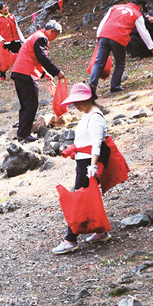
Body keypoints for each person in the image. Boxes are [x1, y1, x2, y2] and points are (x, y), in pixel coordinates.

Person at [51, 82, 110, 254]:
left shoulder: (95, 117)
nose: (77, 105)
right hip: (83, 161)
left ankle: (70, 239)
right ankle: (100, 231)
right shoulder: (87, 114)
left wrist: (92, 167)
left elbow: (97, 144)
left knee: (78, 200)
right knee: (89, 197)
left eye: (80, 101)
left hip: (88, 163)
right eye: (75, 102)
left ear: (89, 98)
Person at [88, 0, 153, 96]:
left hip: (104, 35)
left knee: (99, 63)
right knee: (119, 63)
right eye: (142, 8)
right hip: (118, 38)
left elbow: (103, 22)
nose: (142, 10)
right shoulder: (137, 14)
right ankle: (115, 87)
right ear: (140, 6)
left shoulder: (114, 7)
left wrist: (98, 37)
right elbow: (144, 33)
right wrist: (152, 49)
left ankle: (92, 86)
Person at [10, 20, 64, 142]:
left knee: (25, 105)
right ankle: (24, 134)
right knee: (31, 105)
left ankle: (22, 133)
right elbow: (42, 57)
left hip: (19, 72)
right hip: (26, 73)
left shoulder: (36, 36)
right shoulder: (42, 38)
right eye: (56, 35)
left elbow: (35, 57)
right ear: (52, 31)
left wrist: (46, 73)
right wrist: (57, 72)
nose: (55, 38)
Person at [0, 1, 26, 80]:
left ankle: (22, 72)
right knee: (3, 59)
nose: (6, 8)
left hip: (15, 40)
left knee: (21, 56)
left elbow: (17, 28)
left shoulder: (12, 16)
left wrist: (22, 39)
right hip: (5, 42)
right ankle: (2, 75)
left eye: (7, 6)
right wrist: (0, 38)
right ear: (0, 10)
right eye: (4, 7)